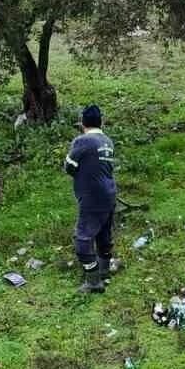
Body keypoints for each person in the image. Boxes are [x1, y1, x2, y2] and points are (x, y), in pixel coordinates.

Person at [64, 104, 116, 294]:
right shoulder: (108, 141)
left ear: (83, 123)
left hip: (91, 196)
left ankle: (93, 281)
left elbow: (68, 166)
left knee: (83, 239)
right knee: (104, 234)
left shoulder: (83, 141)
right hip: (109, 194)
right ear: (101, 122)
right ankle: (104, 270)